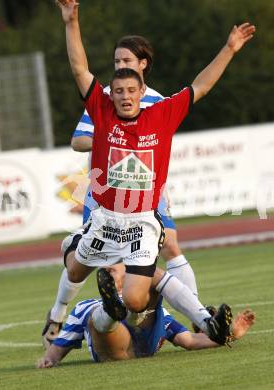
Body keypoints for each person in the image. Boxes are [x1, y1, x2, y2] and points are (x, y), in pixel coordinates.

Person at [48, 0, 255, 345]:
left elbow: (200, 86)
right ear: (108, 96)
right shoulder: (101, 112)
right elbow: (79, 69)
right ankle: (59, 312)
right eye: (118, 92)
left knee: (134, 299)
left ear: (142, 92)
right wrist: (71, 22)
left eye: (131, 91)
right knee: (73, 267)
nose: (125, 97)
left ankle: (201, 322)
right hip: (105, 219)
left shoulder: (161, 114)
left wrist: (229, 48)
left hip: (142, 224)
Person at [45, 34, 199, 342]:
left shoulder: (158, 100)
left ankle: (195, 316)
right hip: (106, 193)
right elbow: (78, 139)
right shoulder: (105, 98)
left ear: (143, 65)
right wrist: (111, 138)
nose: (120, 65)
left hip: (147, 195)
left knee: (170, 244)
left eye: (126, 61)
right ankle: (63, 313)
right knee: (97, 266)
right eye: (116, 61)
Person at [37, 264, 255, 367]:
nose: (107, 272)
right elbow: (54, 354)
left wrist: (230, 333)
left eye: (112, 269)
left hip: (144, 337)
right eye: (104, 271)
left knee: (150, 276)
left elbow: (189, 340)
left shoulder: (161, 314)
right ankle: (110, 311)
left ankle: (128, 312)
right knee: (97, 318)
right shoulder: (84, 308)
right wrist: (47, 360)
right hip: (115, 348)